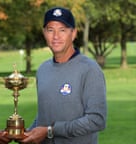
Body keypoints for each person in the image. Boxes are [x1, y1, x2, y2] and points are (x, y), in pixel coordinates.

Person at [20, 7, 107, 144]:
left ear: (73, 34)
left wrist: (51, 130)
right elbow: (45, 115)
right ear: (44, 33)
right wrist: (29, 133)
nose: (56, 36)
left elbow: (97, 120)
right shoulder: (43, 70)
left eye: (62, 30)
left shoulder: (90, 69)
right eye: (50, 30)